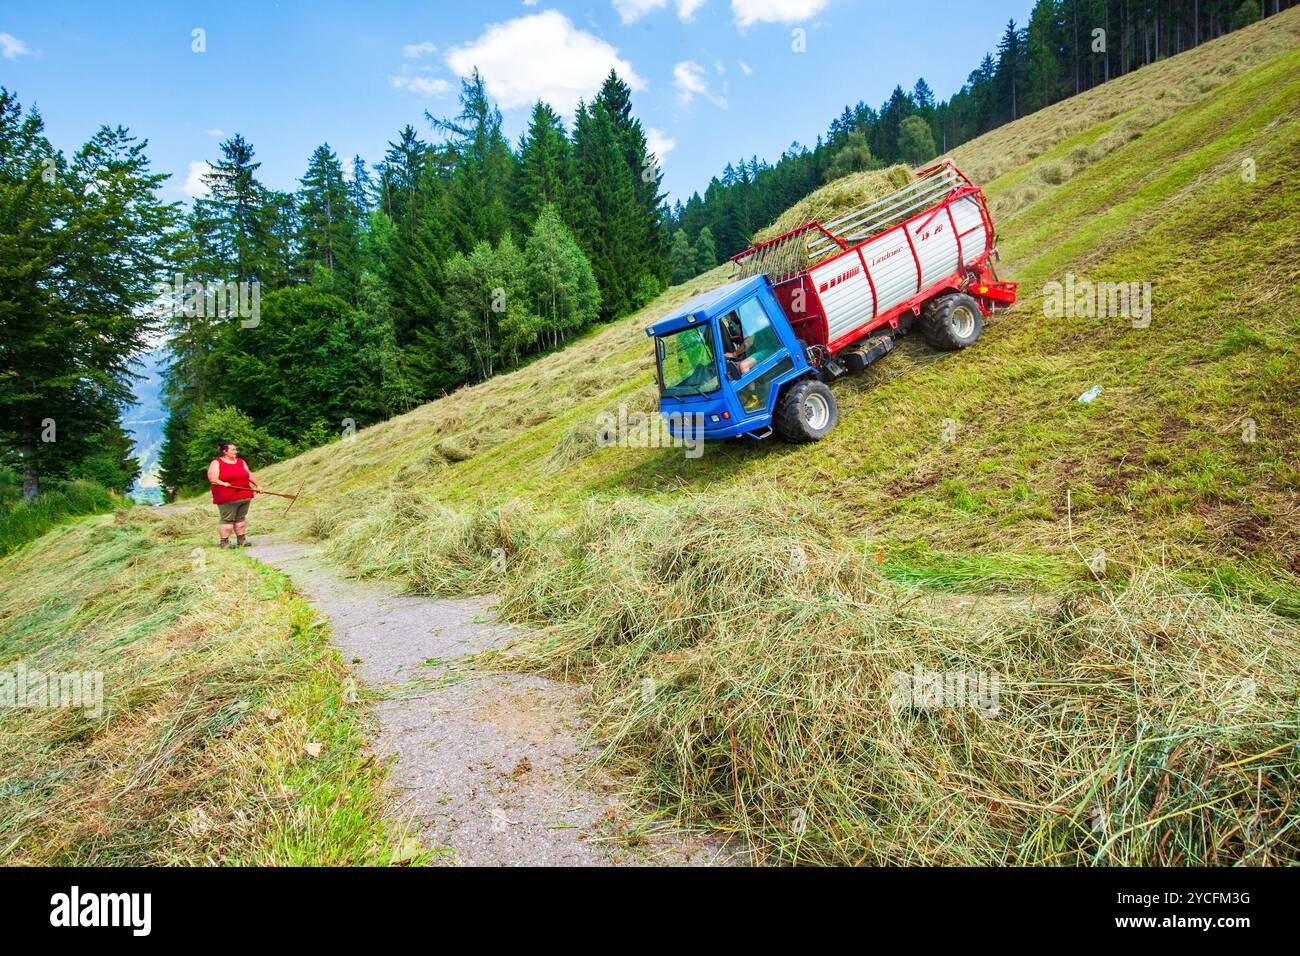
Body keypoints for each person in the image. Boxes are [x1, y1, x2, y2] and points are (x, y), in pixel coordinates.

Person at [207, 441, 260, 548]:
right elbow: (212, 479)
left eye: (236, 449)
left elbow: (248, 474)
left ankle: (242, 540)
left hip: (244, 495)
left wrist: (258, 485)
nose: (236, 451)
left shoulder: (240, 461)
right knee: (227, 520)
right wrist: (223, 483)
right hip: (227, 497)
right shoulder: (216, 463)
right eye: (233, 450)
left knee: (241, 518)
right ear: (224, 451)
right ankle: (225, 542)